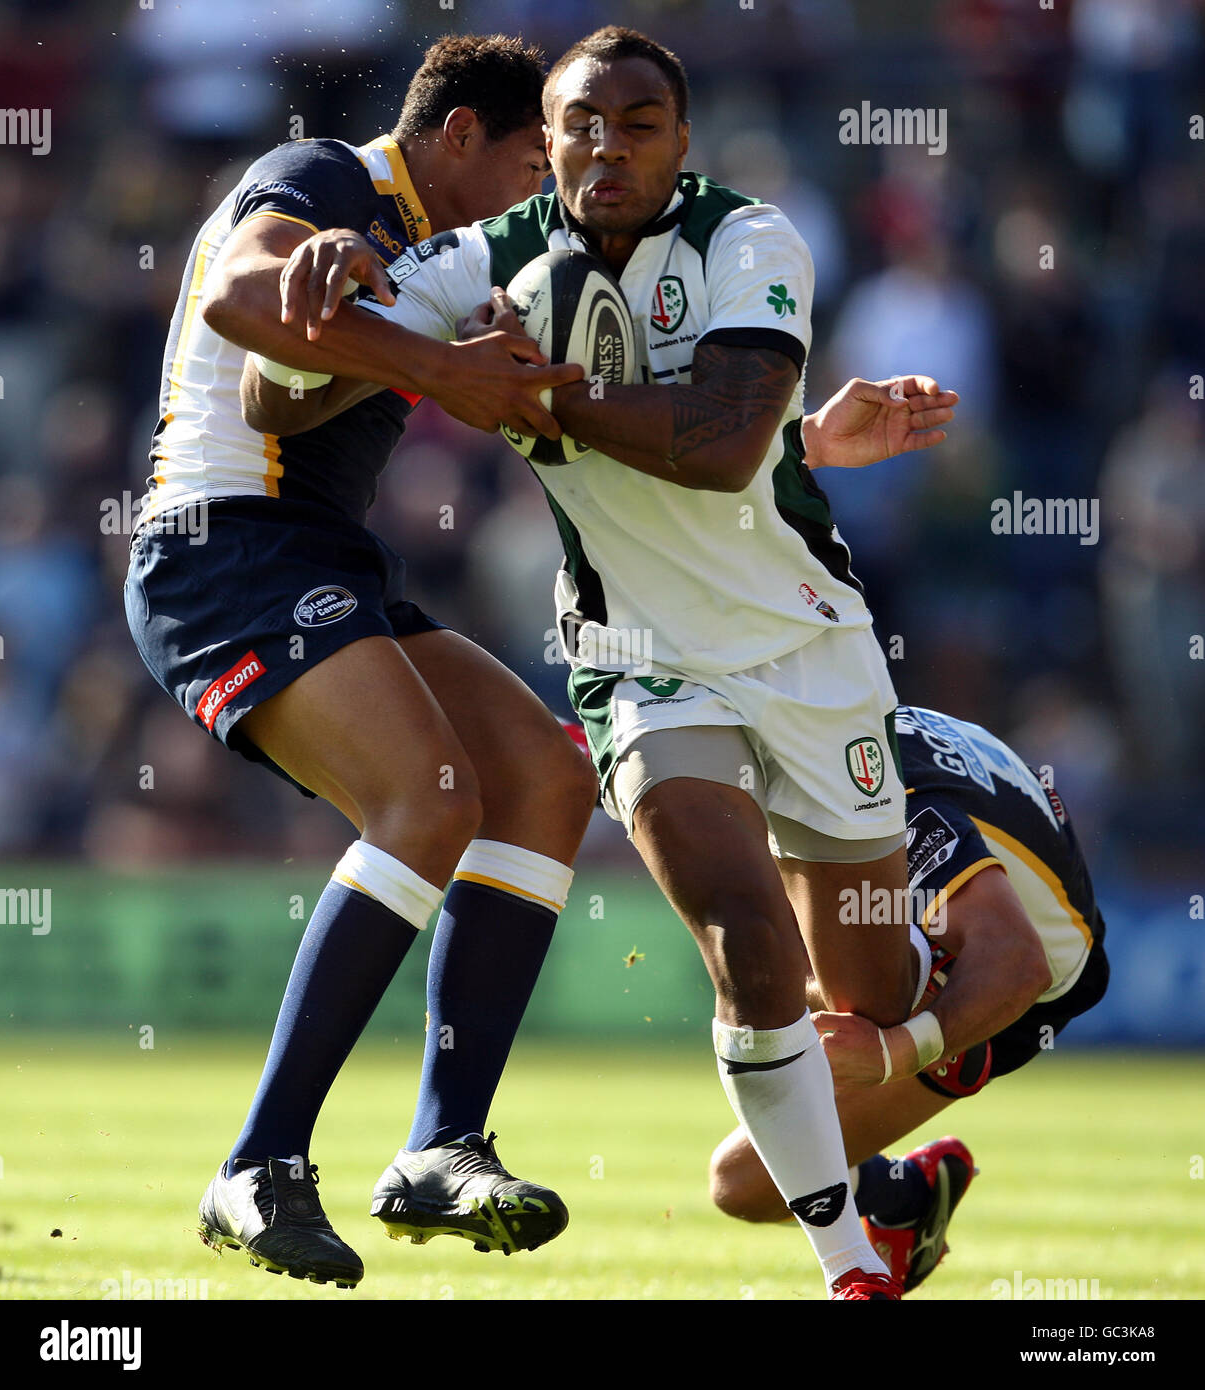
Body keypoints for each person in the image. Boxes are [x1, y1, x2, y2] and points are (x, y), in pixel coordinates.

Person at [251, 26, 961, 1299]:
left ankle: (941, 1052)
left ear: (680, 142)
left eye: (638, 125)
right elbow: (277, 401)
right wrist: (336, 303)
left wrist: (526, 393)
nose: (604, 148)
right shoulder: (489, 260)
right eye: (579, 125)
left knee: (869, 984)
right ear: (550, 142)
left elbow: (727, 441)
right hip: (640, 663)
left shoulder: (750, 239)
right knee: (745, 940)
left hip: (810, 649)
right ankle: (851, 1264)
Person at [124, 34, 599, 1290]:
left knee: (546, 784)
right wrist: (443, 371)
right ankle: (260, 1164)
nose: (534, 197)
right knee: (431, 795)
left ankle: (443, 1145)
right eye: (526, 163)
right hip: (222, 546)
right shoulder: (326, 176)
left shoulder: (446, 255)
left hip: (324, 556)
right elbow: (239, 296)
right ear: (458, 138)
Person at [708, 704, 1110, 1293]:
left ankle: (893, 1203)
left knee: (744, 1182)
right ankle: (903, 1195)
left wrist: (897, 1050)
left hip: (1021, 982)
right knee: (740, 1177)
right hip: (1021, 923)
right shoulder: (832, 723)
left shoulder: (874, 794)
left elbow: (1017, 962)